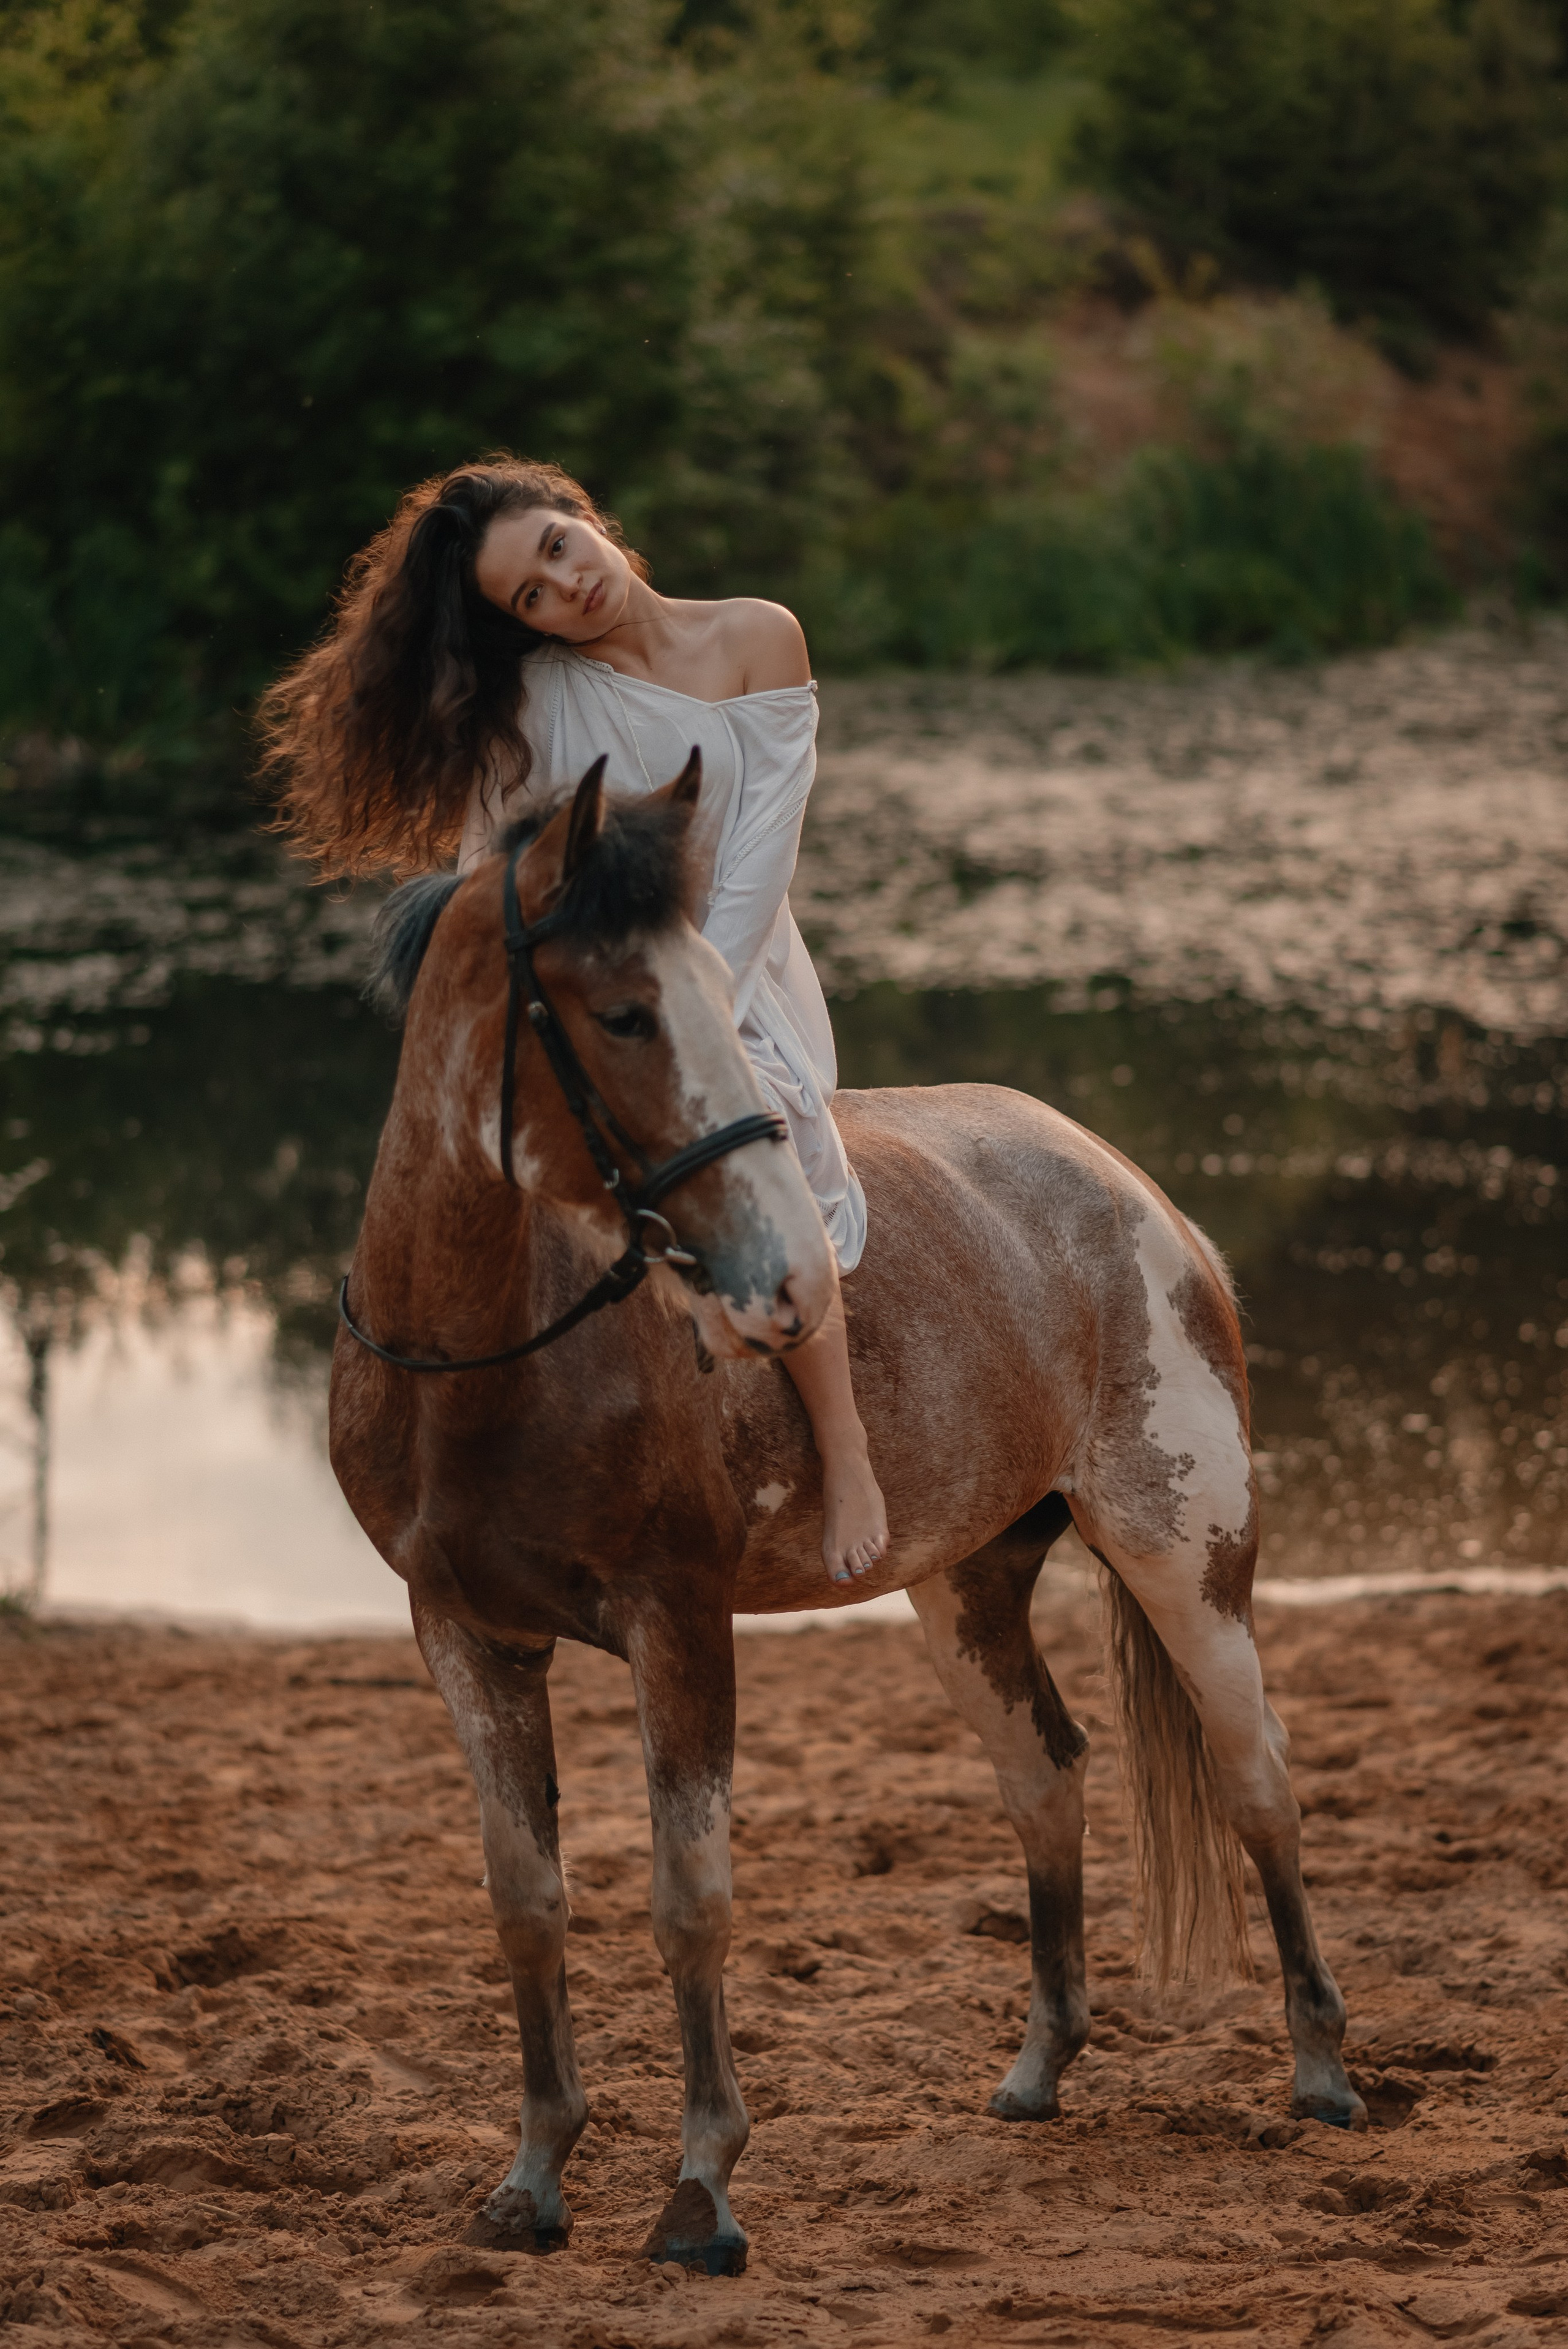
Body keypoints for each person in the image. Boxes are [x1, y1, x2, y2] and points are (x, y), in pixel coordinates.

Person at [262, 455, 888, 1588]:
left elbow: (764, 850)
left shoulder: (761, 635)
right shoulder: (533, 705)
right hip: (603, 998)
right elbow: (483, 883)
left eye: (558, 548)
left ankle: (845, 1454)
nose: (565, 587)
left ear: (585, 516)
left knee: (772, 1140)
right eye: (530, 597)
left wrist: (707, 1017)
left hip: (738, 971)